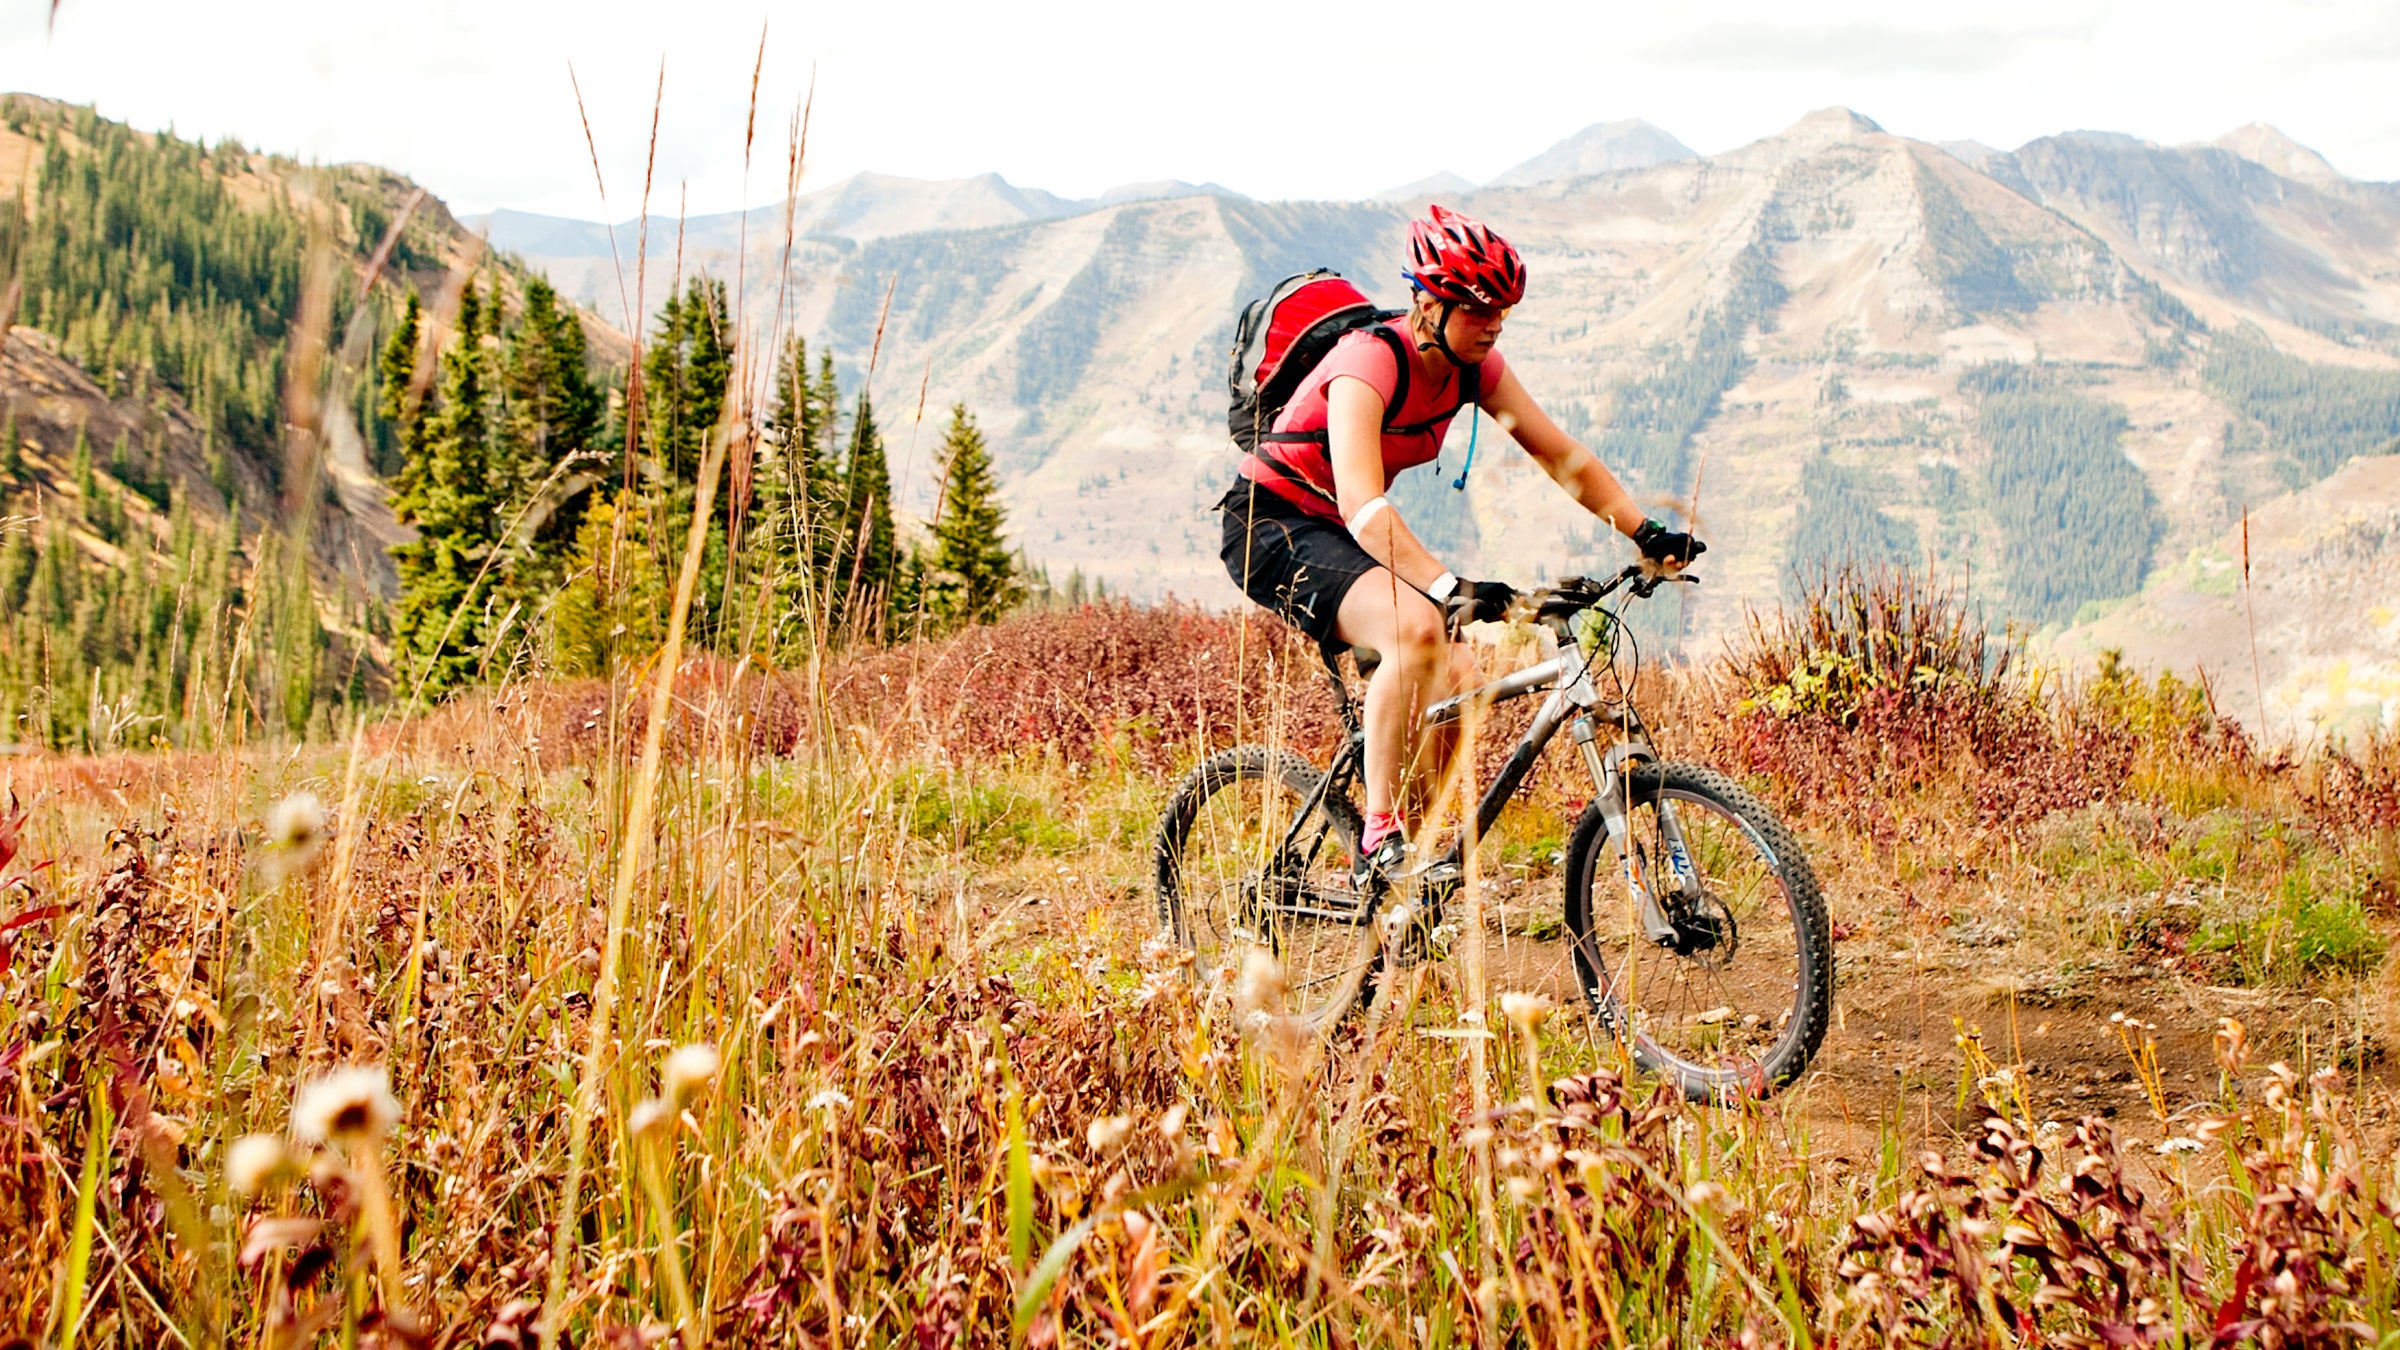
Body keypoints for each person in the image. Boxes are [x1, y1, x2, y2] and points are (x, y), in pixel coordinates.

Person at [1218, 204, 1704, 888]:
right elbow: (1362, 504)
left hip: (1350, 529)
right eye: (1477, 309)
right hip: (1272, 524)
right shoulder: (1368, 362)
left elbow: (1560, 454)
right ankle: (1377, 837)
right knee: (1416, 628)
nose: (1494, 323)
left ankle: (1403, 869)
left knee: (1463, 679)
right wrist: (1449, 588)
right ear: (1427, 304)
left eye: (1503, 309)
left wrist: (1644, 531)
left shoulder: (1475, 368)